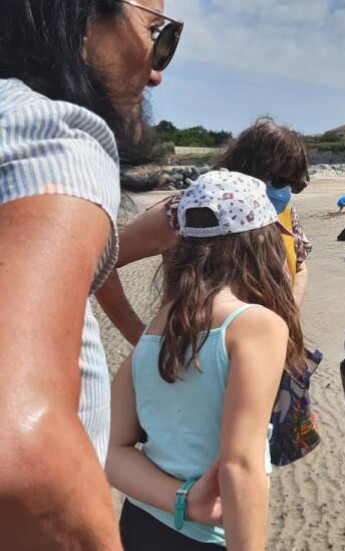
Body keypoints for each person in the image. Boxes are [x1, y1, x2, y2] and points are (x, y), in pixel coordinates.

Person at [0, 1, 180, 548]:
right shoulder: (55, 136)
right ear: (76, 20)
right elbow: (20, 449)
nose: (156, 68)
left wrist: (115, 246)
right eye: (158, 33)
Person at [106, 170, 304, 550]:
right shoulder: (255, 326)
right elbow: (240, 465)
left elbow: (112, 449)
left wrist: (183, 501)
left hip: (142, 523)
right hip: (209, 538)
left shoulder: (156, 329)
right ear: (262, 243)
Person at [96, 118, 313, 345]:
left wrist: (287, 319)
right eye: (280, 181)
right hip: (198, 360)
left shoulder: (283, 211)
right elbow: (101, 259)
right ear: (250, 168)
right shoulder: (184, 211)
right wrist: (136, 334)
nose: (285, 191)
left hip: (269, 352)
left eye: (293, 184)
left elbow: (300, 266)